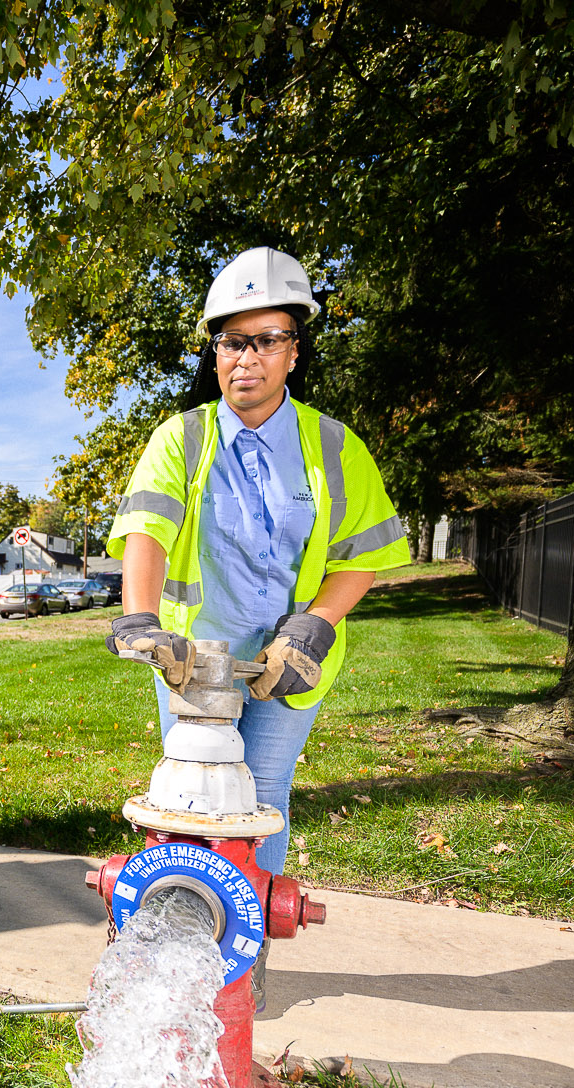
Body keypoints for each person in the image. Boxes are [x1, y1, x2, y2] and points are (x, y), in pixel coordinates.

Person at [104, 246, 409, 888]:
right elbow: (146, 532)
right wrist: (140, 617)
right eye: (232, 342)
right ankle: (187, 923)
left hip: (287, 661)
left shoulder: (333, 445)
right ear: (215, 354)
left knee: (263, 792)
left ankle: (249, 944)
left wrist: (314, 628)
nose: (247, 358)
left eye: (267, 340)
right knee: (192, 792)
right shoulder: (182, 439)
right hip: (192, 657)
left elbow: (361, 558)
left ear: (294, 351)